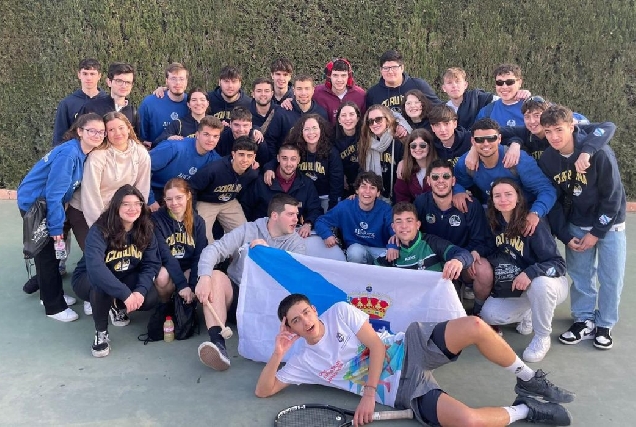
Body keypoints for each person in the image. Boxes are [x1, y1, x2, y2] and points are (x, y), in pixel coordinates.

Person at [255, 294, 575, 426]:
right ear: (291, 329)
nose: (305, 321)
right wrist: (278, 353)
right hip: (403, 390)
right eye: (295, 320)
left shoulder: (339, 312)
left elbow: (376, 347)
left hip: (409, 346)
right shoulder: (303, 362)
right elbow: (264, 391)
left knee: (476, 326)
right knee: (468, 421)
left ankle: (528, 378)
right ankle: (526, 409)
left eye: (306, 312)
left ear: (314, 309)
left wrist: (368, 394)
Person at [538, 105, 626, 350]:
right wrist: (565, 235)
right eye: (548, 131)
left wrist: (596, 233)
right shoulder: (548, 159)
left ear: (572, 127)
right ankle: (583, 319)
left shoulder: (600, 153)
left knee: (611, 277)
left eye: (559, 129)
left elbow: (613, 198)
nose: (554, 136)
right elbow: (555, 200)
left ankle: (605, 323)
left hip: (609, 224)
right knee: (580, 276)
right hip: (577, 223)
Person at [195, 194, 306, 370]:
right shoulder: (249, 229)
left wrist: (267, 255)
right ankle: (218, 344)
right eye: (290, 214)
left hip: (269, 305)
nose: (296, 219)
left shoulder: (296, 243)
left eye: (296, 214)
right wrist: (204, 277)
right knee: (215, 276)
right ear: (275, 216)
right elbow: (214, 249)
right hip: (239, 297)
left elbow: (294, 278)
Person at [17, 113, 105, 322]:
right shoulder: (69, 154)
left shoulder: (83, 152)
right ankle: (53, 306)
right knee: (47, 255)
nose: (97, 135)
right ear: (80, 131)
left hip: (46, 202)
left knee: (51, 255)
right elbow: (54, 194)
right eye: (91, 130)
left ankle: (50, 293)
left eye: (101, 132)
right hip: (36, 205)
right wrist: (56, 227)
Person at [479, 178, 569, 363]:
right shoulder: (494, 223)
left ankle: (542, 337)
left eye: (508, 194)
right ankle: (530, 311)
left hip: (550, 283)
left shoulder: (533, 223)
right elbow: (490, 249)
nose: (503, 199)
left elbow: (559, 264)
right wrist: (473, 253)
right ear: (492, 200)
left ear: (518, 198)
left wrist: (530, 273)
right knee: (489, 314)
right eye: (497, 195)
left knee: (540, 285)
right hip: (521, 287)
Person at [72, 185, 161, 357]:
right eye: (126, 204)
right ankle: (101, 333)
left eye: (137, 204)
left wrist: (140, 291)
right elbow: (96, 268)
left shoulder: (145, 228)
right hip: (87, 278)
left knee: (149, 298)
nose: (132, 208)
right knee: (101, 284)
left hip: (124, 275)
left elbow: (151, 264)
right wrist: (126, 294)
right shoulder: (100, 229)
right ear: (116, 206)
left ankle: (114, 305)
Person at [414, 160, 495, 315]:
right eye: (435, 177)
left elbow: (483, 240)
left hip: (462, 261)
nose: (441, 181)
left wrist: (473, 252)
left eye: (446, 176)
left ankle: (479, 312)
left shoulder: (470, 205)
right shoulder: (421, 202)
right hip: (432, 261)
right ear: (428, 180)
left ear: (453, 180)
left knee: (483, 270)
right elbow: (412, 232)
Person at [453, 119, 556, 239]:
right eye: (479, 139)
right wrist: (458, 191)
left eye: (491, 138)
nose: (486, 143)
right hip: (495, 214)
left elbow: (547, 190)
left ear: (499, 139)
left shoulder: (519, 160)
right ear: (473, 141)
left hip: (526, 211)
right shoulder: (467, 162)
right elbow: (456, 181)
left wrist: (535, 213)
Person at [239, 144, 322, 237]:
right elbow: (246, 206)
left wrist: (308, 224)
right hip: (263, 233)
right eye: (284, 158)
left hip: (293, 234)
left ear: (298, 160)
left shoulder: (306, 183)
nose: (288, 164)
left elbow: (315, 208)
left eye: (293, 159)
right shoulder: (261, 181)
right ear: (278, 158)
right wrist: (252, 230)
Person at [264, 114, 343, 212]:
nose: (311, 132)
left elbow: (337, 183)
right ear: (301, 132)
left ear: (321, 130)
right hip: (301, 194)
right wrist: (269, 168)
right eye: (306, 129)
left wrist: (332, 210)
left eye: (314, 128)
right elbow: (282, 158)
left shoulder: (331, 152)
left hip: (324, 196)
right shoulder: (296, 148)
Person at [314, 172, 394, 264]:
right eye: (363, 187)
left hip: (380, 250)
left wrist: (393, 246)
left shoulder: (386, 209)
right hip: (357, 250)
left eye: (372, 188)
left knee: (393, 255)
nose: (367, 191)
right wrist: (327, 235)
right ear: (357, 190)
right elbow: (321, 221)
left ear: (378, 193)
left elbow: (395, 231)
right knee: (355, 252)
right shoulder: (346, 206)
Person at [189, 137, 259, 243]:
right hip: (206, 202)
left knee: (246, 235)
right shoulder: (214, 169)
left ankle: (237, 254)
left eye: (249, 156)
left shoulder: (252, 174)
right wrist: (192, 211)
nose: (245, 160)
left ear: (254, 157)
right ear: (233, 154)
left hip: (229, 202)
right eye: (241, 154)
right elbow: (192, 188)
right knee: (203, 236)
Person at [376, 202, 473, 276]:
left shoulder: (432, 243)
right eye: (398, 221)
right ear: (393, 227)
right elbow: (371, 273)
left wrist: (457, 261)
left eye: (409, 221)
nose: (404, 226)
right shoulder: (391, 254)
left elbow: (465, 254)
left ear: (418, 225)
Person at [148, 116, 223, 209]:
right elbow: (141, 170)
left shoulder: (214, 159)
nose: (211, 140)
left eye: (215, 136)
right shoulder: (174, 147)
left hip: (180, 196)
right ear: (197, 134)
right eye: (206, 134)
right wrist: (150, 200)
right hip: (155, 190)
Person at [152, 178, 207, 303]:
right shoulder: (156, 220)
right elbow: (165, 254)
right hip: (166, 266)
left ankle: (185, 305)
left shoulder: (198, 222)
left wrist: (191, 286)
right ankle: (166, 304)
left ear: (188, 196)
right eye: (169, 199)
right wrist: (182, 285)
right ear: (164, 200)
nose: (174, 203)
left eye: (179, 198)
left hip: (187, 267)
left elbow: (199, 255)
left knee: (199, 276)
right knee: (161, 277)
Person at [52, 58, 108, 146]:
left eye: (92, 74)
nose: (88, 78)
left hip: (103, 152)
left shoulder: (108, 102)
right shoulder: (67, 103)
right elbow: (59, 136)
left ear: (99, 76)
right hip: (76, 152)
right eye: (85, 73)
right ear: (79, 75)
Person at [365, 49, 441, 115]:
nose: (390, 71)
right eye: (386, 68)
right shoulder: (373, 93)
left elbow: (438, 108)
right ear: (381, 70)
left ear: (402, 68)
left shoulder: (418, 85)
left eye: (394, 67)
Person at [358, 104, 404, 201]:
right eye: (370, 121)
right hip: (374, 198)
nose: (374, 124)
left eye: (378, 119)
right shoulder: (366, 143)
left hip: (396, 198)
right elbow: (362, 171)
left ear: (387, 120)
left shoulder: (399, 140)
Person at [138, 62, 189, 147]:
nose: (177, 83)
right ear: (166, 81)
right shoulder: (150, 103)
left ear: (186, 82)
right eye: (173, 78)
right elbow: (140, 136)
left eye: (181, 79)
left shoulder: (193, 104)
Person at [78, 62, 139, 132]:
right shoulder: (91, 107)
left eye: (128, 82)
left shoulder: (133, 112)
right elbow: (76, 134)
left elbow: (135, 137)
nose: (124, 86)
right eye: (119, 81)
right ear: (109, 82)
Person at [312, 58, 366, 124]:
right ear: (329, 77)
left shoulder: (360, 95)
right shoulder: (317, 93)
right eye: (335, 75)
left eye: (343, 75)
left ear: (348, 76)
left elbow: (365, 122)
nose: (339, 80)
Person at [440, 67, 495, 131]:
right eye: (449, 83)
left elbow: (502, 101)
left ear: (465, 85)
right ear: (444, 88)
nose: (454, 86)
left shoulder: (478, 99)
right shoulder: (443, 110)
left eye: (457, 81)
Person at [394, 129, 436, 203]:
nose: (418, 148)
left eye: (422, 145)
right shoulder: (405, 169)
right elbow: (402, 197)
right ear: (409, 148)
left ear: (429, 146)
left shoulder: (439, 168)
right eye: (413, 146)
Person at [334, 101, 362, 196]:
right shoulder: (333, 138)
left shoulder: (366, 135)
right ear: (339, 120)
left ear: (358, 118)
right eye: (343, 115)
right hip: (344, 185)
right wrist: (341, 176)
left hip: (364, 182)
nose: (348, 118)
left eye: (351, 114)